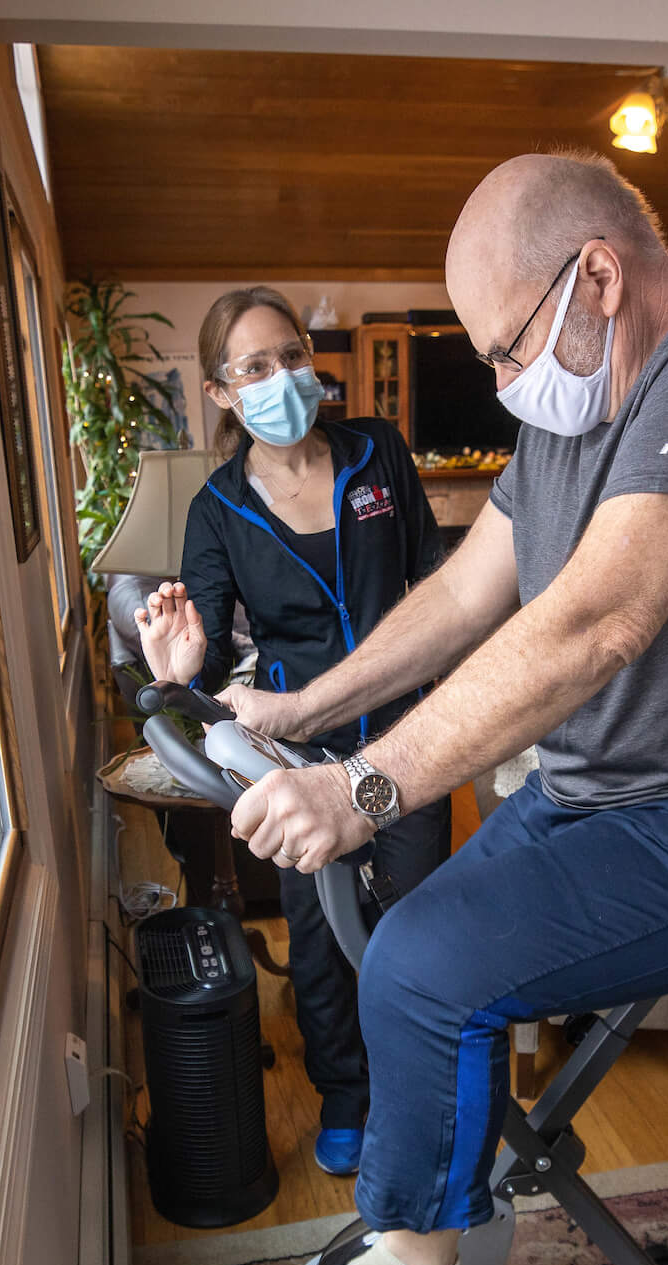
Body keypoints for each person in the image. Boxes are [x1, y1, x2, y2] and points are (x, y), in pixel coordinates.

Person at [213, 153, 668, 1265]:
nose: (495, 379)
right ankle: (436, 1220)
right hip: (606, 796)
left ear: (596, 275)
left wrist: (360, 788)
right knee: (407, 956)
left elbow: (598, 621)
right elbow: (466, 594)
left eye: (502, 347)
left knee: (425, 967)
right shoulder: (561, 413)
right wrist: (300, 708)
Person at [135, 286, 452, 1179]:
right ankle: (346, 1098)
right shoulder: (216, 510)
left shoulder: (376, 451)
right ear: (222, 394)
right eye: (255, 368)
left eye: (293, 356)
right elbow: (197, 671)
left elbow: (432, 577)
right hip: (299, 751)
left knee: (417, 924)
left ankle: (417, 1093)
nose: (283, 378)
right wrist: (177, 666)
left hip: (407, 733)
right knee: (321, 939)